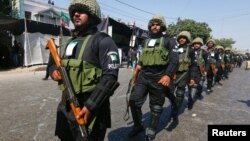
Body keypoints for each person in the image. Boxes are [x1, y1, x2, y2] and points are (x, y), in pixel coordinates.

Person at [49, 0, 120, 141]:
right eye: (74, 11)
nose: (76, 14)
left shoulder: (103, 40)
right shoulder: (70, 42)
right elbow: (54, 64)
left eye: (81, 10)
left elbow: (110, 77)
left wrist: (90, 107)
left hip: (92, 109)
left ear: (92, 15)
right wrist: (53, 72)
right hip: (66, 106)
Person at [128, 15, 179, 140]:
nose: (154, 26)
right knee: (134, 101)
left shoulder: (169, 40)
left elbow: (174, 60)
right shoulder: (146, 40)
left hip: (159, 76)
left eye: (157, 24)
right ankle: (138, 125)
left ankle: (152, 128)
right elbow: (142, 59)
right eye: (152, 24)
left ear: (162, 26)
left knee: (156, 106)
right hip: (144, 75)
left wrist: (168, 75)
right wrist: (136, 73)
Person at [170, 31, 196, 114]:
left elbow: (193, 65)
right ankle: (173, 104)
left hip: (184, 74)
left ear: (187, 39)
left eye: (184, 38)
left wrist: (192, 78)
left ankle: (175, 110)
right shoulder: (174, 48)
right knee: (169, 92)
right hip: (172, 74)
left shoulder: (191, 50)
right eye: (180, 38)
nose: (182, 39)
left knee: (180, 93)